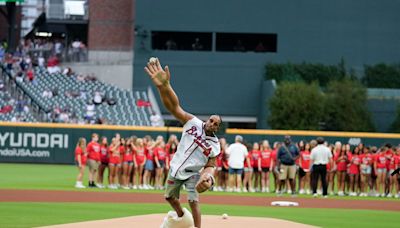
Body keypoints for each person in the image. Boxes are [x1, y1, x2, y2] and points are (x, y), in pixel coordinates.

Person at [145, 58, 221, 228]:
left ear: (217, 128)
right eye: (211, 120)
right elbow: (174, 107)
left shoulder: (214, 145)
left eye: (216, 124)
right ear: (207, 120)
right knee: (169, 197)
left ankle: (197, 227)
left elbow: (211, 164)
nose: (212, 124)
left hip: (193, 172)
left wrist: (207, 176)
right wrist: (164, 86)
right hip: (176, 167)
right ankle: (182, 216)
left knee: (193, 201)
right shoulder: (193, 122)